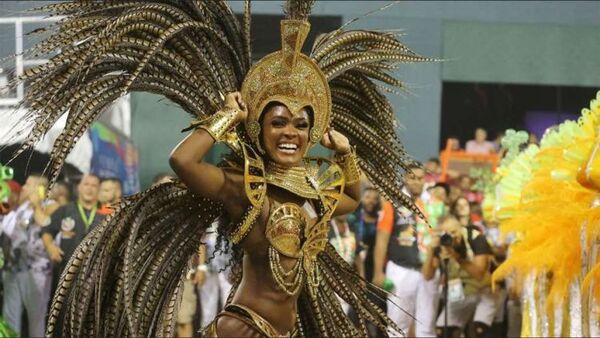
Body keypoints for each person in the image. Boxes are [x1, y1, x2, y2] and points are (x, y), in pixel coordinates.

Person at [14, 1, 432, 336]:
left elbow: (353, 200)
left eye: (302, 125)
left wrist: (345, 153)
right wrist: (224, 117)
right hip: (244, 329)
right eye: (278, 122)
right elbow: (183, 161)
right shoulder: (243, 187)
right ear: (260, 128)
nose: (291, 133)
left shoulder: (311, 193)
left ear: (313, 132)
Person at [373, 166, 438, 337]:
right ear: (404, 179)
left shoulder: (432, 205)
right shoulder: (392, 205)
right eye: (412, 178)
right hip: (400, 270)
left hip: (427, 271)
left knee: (426, 325)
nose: (416, 182)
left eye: (420, 178)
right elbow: (382, 240)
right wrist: (378, 271)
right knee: (397, 324)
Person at [422, 216, 496, 338]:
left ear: (461, 229)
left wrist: (455, 256)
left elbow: (479, 274)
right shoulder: (441, 244)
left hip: (483, 291)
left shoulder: (476, 238)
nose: (451, 236)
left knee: (480, 330)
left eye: (454, 232)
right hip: (458, 293)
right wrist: (430, 250)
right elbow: (427, 275)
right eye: (447, 233)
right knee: (443, 332)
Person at [1, 175, 52, 337]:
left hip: (37, 273)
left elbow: (46, 225)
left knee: (36, 320)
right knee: (10, 318)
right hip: (13, 270)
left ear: (40, 189)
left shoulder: (49, 206)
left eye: (28, 185)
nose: (23, 187)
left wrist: (37, 203)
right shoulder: (19, 209)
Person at [41, 174, 108, 293]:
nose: (89, 188)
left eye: (94, 185)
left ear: (98, 190)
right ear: (79, 188)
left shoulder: (105, 216)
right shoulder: (65, 210)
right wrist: (50, 247)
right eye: (86, 184)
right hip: (65, 273)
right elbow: (46, 230)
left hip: (93, 276)